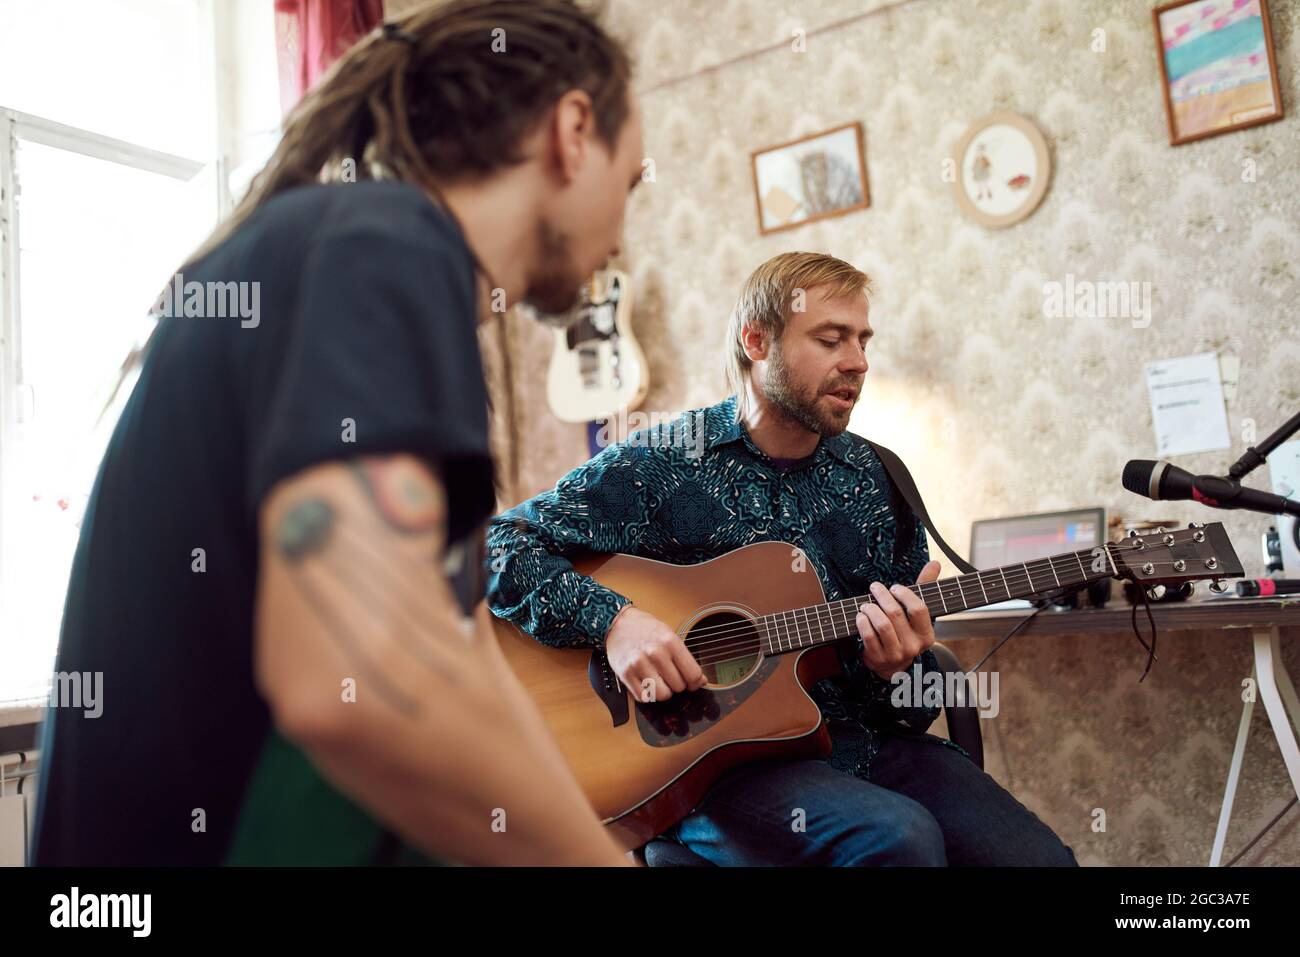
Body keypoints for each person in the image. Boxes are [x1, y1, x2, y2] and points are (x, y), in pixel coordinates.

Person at [33, 0, 644, 867]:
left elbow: (459, 658)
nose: (620, 234)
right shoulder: (382, 242)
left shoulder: (374, 257)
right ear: (574, 130)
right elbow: (358, 681)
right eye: (630, 184)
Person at [486, 252, 1079, 866]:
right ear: (757, 341)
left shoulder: (878, 479)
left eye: (862, 340)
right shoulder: (659, 463)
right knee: (897, 839)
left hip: (860, 743)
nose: (858, 361)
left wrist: (897, 669)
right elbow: (496, 548)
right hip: (708, 767)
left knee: (1041, 863)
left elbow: (908, 704)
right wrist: (616, 622)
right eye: (831, 339)